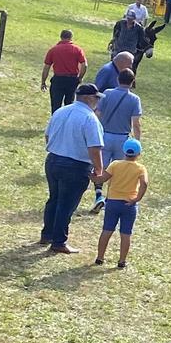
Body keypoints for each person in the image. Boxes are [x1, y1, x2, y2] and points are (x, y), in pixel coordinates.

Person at [41, 83, 105, 254]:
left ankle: (47, 234)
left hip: (53, 160)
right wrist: (99, 170)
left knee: (54, 199)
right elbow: (94, 147)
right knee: (66, 204)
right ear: (89, 98)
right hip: (76, 165)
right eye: (96, 98)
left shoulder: (61, 111)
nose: (98, 101)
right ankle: (59, 241)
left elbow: (48, 135)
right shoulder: (90, 118)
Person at [90, 70, 143, 211]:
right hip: (122, 139)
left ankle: (98, 195)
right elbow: (136, 123)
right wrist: (137, 142)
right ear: (132, 82)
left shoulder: (107, 93)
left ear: (118, 79)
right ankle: (111, 199)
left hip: (104, 136)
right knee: (118, 169)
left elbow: (97, 114)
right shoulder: (134, 99)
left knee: (100, 168)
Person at [94, 138, 149, 268]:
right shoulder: (141, 168)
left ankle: (100, 257)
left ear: (124, 151)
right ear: (139, 153)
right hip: (129, 204)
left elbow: (102, 178)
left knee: (107, 230)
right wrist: (137, 198)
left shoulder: (115, 164)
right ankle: (121, 261)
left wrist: (93, 177)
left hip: (113, 202)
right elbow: (144, 183)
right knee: (126, 233)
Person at [41, 29, 87, 114]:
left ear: (61, 37)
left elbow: (46, 67)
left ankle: (55, 123)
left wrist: (43, 81)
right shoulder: (77, 49)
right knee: (69, 104)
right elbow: (84, 65)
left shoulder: (53, 50)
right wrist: (80, 77)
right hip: (72, 80)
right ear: (71, 37)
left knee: (56, 105)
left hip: (58, 79)